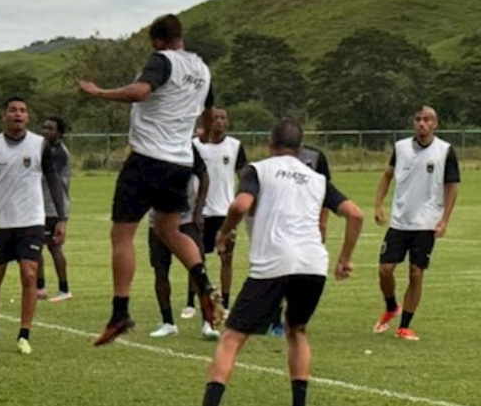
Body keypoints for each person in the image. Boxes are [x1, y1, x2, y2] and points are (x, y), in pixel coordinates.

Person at [78, 14, 222, 346]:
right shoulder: (202, 68)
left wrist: (99, 92)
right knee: (169, 229)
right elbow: (209, 111)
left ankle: (120, 312)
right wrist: (200, 130)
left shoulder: (162, 60)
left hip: (147, 160)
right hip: (180, 163)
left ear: (157, 40)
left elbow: (140, 92)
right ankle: (202, 282)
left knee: (122, 233)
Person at [201, 118, 364, 406]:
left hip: (274, 263)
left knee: (232, 337)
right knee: (297, 330)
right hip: (313, 264)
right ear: (301, 148)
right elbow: (355, 214)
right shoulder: (317, 179)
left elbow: (241, 205)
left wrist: (224, 232)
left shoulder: (259, 170)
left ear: (270, 144)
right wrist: (344, 258)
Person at [0, 97, 67, 355]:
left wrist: (62, 218)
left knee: (29, 274)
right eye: (13, 110)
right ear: (4, 116)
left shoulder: (39, 145)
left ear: (27, 117)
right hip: (1, 222)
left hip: (31, 221)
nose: (18, 114)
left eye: (22, 111)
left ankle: (24, 335)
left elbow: (53, 180)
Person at [372, 106, 459, 341]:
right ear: (414, 123)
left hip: (426, 223)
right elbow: (387, 176)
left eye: (427, 120)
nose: (422, 123)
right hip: (399, 221)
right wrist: (378, 205)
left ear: (435, 124)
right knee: (385, 269)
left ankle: (405, 326)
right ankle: (391, 307)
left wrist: (444, 220)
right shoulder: (400, 148)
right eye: (418, 119)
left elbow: (452, 187)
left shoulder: (445, 151)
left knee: (416, 273)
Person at [148, 144, 220, 340]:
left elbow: (204, 177)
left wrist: (198, 211)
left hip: (187, 219)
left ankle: (208, 322)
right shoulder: (150, 146)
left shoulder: (186, 147)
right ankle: (168, 322)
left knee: (198, 269)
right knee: (160, 271)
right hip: (158, 222)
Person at [192, 108, 247, 313]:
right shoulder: (195, 145)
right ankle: (194, 302)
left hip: (226, 213)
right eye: (215, 118)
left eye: (223, 118)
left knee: (226, 258)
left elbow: (244, 175)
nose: (220, 121)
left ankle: (225, 301)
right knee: (197, 260)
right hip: (201, 212)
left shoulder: (235, 146)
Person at [36, 116, 72, 303]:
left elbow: (45, 173)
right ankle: (40, 287)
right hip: (40, 205)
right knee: (37, 246)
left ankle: (64, 289)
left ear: (59, 132)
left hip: (53, 207)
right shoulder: (45, 149)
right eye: (44, 127)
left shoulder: (58, 152)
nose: (45, 132)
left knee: (54, 247)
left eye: (50, 128)